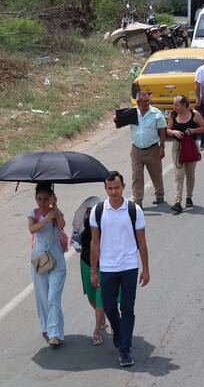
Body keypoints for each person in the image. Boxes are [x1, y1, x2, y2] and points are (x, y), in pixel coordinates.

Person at [90, 171, 149, 368]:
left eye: (117, 187)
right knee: (108, 306)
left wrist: (146, 269)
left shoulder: (134, 210)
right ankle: (119, 332)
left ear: (123, 186)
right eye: (110, 188)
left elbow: (142, 241)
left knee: (127, 308)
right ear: (105, 188)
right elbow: (95, 242)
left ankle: (124, 350)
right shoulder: (98, 211)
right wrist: (93, 271)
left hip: (129, 266)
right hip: (107, 267)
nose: (113, 191)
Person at [28, 183, 66, 347]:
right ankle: (46, 326)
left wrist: (55, 208)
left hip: (56, 259)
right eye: (39, 199)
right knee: (42, 296)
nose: (42, 202)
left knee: (53, 297)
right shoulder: (33, 213)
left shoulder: (54, 212)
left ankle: (56, 334)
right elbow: (32, 229)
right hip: (39, 258)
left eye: (45, 199)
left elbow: (62, 225)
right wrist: (45, 221)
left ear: (51, 198)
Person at [124, 91, 166, 207]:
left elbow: (162, 129)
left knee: (156, 173)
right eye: (144, 101)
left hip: (152, 149)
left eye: (148, 101)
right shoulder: (132, 112)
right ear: (138, 102)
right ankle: (137, 200)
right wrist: (116, 118)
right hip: (136, 150)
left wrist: (162, 147)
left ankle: (160, 194)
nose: (147, 103)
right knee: (137, 175)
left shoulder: (156, 113)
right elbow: (119, 120)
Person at [166, 95, 204, 214]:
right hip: (177, 147)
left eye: (177, 104)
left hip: (191, 146)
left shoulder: (194, 114)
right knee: (178, 174)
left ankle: (189, 197)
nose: (175, 107)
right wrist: (173, 131)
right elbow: (168, 130)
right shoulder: (173, 115)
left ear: (184, 105)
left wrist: (193, 131)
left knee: (190, 174)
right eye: (174, 104)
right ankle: (177, 201)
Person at [79, 202, 110, 346]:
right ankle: (102, 317)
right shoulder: (83, 227)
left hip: (103, 267)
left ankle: (97, 331)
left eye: (93, 212)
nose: (90, 214)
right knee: (91, 297)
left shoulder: (105, 229)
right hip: (86, 264)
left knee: (100, 299)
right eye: (88, 212)